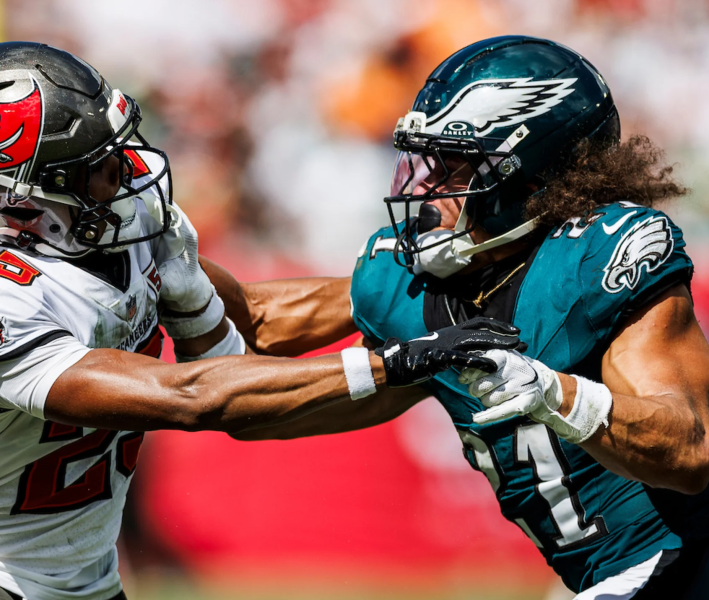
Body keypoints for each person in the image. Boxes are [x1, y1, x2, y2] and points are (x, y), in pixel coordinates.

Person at [0, 43, 523, 600]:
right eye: (98, 164)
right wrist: (390, 363)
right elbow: (194, 396)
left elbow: (242, 346)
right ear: (23, 202)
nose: (130, 170)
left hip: (83, 579)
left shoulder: (127, 240)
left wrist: (446, 280)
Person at [209, 36, 709, 599]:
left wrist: (560, 396)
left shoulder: (595, 258)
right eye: (422, 161)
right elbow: (261, 323)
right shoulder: (411, 281)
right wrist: (161, 263)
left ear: (529, 178)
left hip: (685, 558)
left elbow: (691, 450)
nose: (422, 186)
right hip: (606, 580)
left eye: (450, 167)